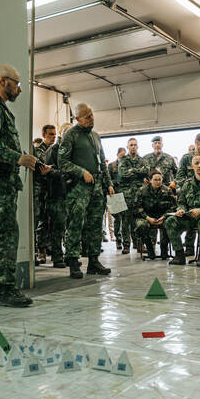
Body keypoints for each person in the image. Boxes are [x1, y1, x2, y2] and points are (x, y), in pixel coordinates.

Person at [0, 64, 43, 307]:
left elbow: (0, 144)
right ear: (4, 81)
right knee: (5, 236)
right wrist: (18, 158)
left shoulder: (0, 109)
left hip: (3, 183)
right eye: (17, 83)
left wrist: (25, 158)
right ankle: (5, 290)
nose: (19, 89)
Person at [55, 102, 114, 279]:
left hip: (97, 187)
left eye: (92, 115)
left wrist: (109, 183)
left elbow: (102, 161)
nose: (91, 119)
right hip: (79, 188)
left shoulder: (96, 136)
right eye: (87, 116)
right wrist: (81, 172)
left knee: (95, 225)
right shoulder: (70, 135)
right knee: (76, 224)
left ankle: (94, 261)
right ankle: (73, 261)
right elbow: (62, 161)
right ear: (77, 118)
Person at [166, 153, 200, 267]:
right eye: (197, 163)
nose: (199, 165)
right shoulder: (187, 183)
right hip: (190, 216)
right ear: (192, 166)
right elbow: (182, 202)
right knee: (170, 221)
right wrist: (181, 210)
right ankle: (179, 254)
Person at [35, 124, 65, 267]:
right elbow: (41, 170)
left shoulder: (60, 150)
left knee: (55, 223)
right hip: (42, 191)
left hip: (55, 190)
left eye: (54, 134)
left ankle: (53, 250)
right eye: (50, 134)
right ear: (44, 134)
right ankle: (41, 250)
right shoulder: (38, 150)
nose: (53, 137)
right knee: (43, 222)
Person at [133, 169, 176, 259]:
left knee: (171, 223)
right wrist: (148, 218)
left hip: (162, 216)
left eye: (159, 180)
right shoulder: (142, 190)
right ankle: (149, 248)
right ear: (150, 180)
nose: (158, 182)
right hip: (146, 216)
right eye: (155, 180)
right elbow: (137, 208)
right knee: (141, 225)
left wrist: (164, 217)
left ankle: (164, 247)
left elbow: (173, 207)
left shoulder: (167, 190)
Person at [115, 137, 145, 254]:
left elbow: (146, 171)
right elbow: (122, 173)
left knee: (138, 220)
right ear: (128, 147)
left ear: (137, 147)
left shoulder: (142, 160)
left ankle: (139, 244)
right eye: (131, 145)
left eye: (135, 145)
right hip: (126, 195)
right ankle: (126, 245)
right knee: (126, 221)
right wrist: (138, 171)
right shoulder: (123, 159)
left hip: (139, 195)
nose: (133, 147)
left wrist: (132, 171)